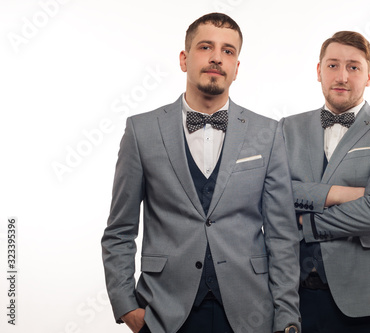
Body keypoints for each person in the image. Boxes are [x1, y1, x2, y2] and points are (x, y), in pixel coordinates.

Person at [102, 13, 301, 333]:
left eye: (228, 51)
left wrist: (288, 316)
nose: (216, 58)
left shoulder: (269, 132)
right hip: (163, 313)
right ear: (183, 59)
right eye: (205, 47)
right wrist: (127, 306)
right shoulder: (141, 131)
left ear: (237, 67)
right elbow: (120, 230)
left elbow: (282, 236)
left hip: (250, 313)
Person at [281, 31, 370, 332]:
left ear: (369, 76)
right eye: (332, 65)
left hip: (368, 296)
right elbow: (272, 194)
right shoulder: (287, 127)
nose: (342, 76)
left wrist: (307, 223)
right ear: (318, 71)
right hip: (293, 295)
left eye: (353, 67)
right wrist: (339, 194)